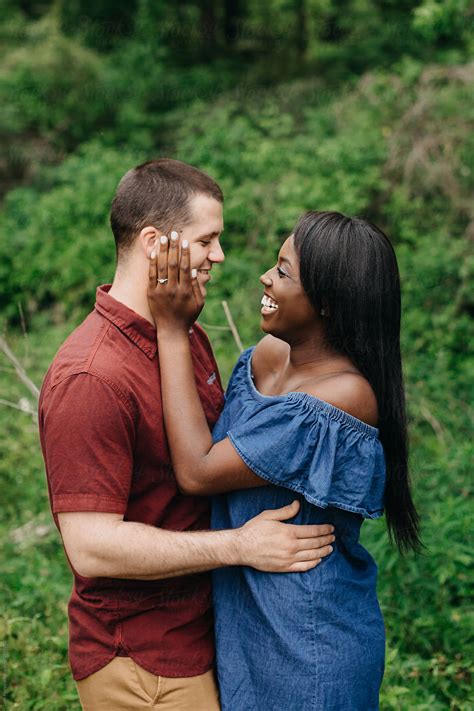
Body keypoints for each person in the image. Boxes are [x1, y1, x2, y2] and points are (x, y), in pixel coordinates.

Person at [38, 160, 335, 711]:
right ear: (155, 243)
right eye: (207, 240)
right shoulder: (90, 376)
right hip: (143, 657)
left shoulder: (181, 331)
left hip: (204, 632)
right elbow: (91, 548)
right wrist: (240, 546)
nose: (220, 256)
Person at [146, 210, 421, 711]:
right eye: (276, 263)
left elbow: (197, 471)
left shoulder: (343, 396)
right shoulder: (268, 355)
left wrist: (171, 329)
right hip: (247, 627)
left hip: (309, 643)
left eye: (284, 272)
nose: (265, 277)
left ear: (329, 304)